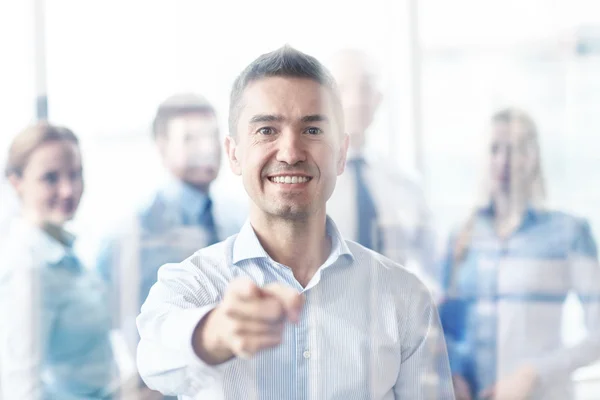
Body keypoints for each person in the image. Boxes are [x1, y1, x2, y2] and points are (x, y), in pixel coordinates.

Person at [136, 46, 454, 399]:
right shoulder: (191, 284)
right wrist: (215, 333)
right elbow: (153, 357)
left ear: (342, 153)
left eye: (313, 130)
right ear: (234, 153)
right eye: (267, 130)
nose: (290, 153)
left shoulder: (405, 299)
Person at [439, 108, 600, 400]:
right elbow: (444, 325)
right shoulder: (462, 236)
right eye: (494, 149)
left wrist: (533, 373)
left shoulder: (568, 232)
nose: (503, 161)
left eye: (514, 150)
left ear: (533, 158)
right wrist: (455, 372)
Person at [95, 93, 244, 399]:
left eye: (211, 136)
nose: (207, 148)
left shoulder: (237, 219)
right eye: (190, 139)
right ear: (162, 148)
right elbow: (114, 330)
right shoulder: (132, 235)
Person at [0, 123, 117, 399]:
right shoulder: (27, 267)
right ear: (16, 182)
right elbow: (21, 386)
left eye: (75, 175)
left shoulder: (63, 249)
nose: (68, 190)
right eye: (50, 178)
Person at [326, 48, 437, 292]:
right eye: (343, 88)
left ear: (379, 97)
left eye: (365, 88)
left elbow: (429, 264)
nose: (356, 100)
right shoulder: (309, 182)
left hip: (396, 320)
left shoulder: (404, 183)